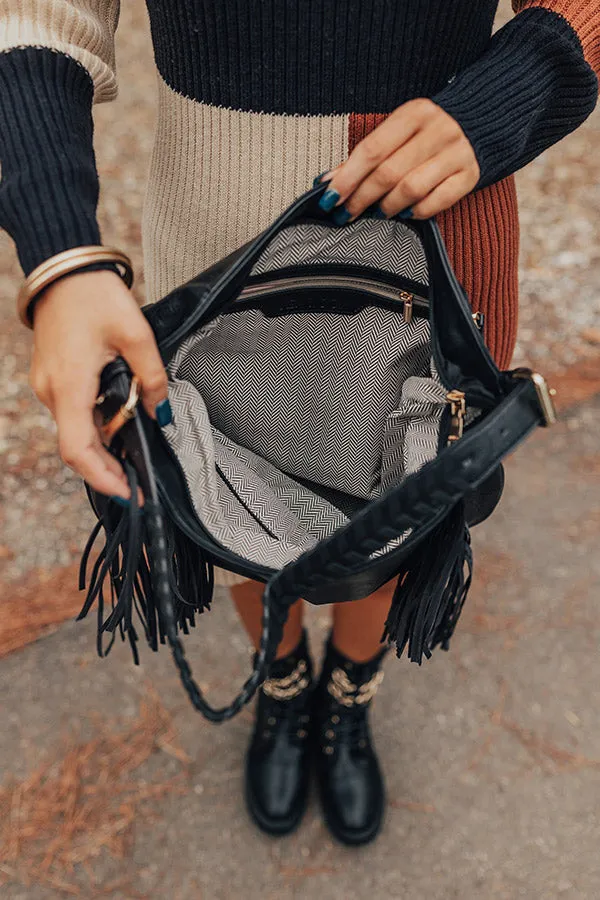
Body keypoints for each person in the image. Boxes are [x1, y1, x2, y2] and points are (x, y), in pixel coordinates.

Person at [1, 0, 598, 847]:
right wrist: (60, 257)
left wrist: (524, 79)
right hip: (218, 254)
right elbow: (39, 19)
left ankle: (349, 691)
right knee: (235, 501)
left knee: (397, 526)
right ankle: (281, 682)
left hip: (436, 242)